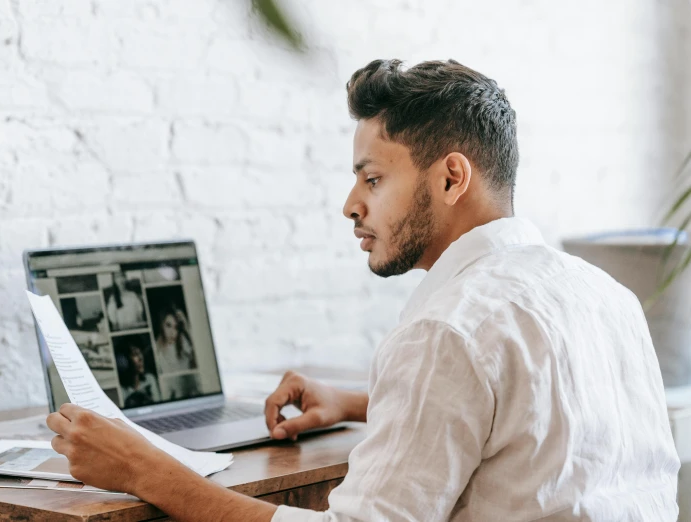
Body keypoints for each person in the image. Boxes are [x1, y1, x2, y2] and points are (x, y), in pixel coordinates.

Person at [46, 59, 680, 521]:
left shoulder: (447, 329)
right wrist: (355, 403)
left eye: (372, 179)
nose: (351, 205)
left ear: (451, 177)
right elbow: (523, 421)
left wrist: (145, 470)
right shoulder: (606, 297)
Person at [153, 307, 197, 375]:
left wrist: (187, 328)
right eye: (168, 325)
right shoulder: (156, 349)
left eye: (176, 327)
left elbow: (198, 359)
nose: (173, 333)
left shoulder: (182, 340)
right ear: (161, 325)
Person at [118, 341, 160, 408]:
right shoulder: (121, 390)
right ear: (125, 360)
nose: (141, 358)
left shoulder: (150, 379)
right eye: (135, 354)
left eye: (140, 353)